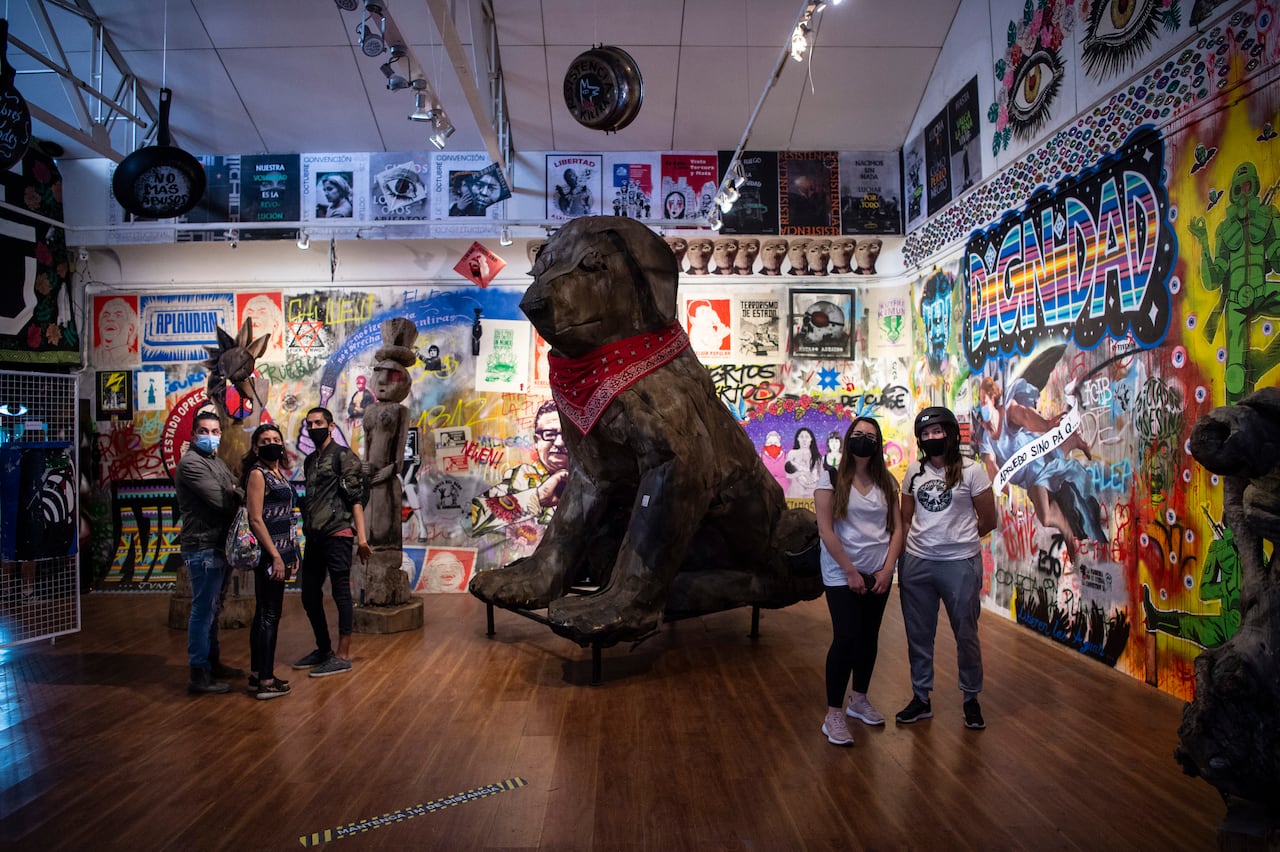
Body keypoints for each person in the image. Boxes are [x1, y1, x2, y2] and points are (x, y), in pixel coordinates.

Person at [897, 406, 998, 730]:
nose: (932, 438)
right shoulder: (913, 472)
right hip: (918, 564)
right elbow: (905, 518)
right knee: (918, 635)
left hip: (960, 565)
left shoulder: (972, 471)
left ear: (951, 434)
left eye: (937, 432)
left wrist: (959, 540)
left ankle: (971, 698)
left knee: (966, 634)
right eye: (926, 434)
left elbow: (989, 519)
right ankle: (921, 697)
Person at [814, 417, 904, 745]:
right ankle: (833, 714)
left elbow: (897, 529)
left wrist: (887, 569)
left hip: (878, 573)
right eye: (857, 434)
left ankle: (860, 699)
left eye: (870, 436)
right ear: (847, 439)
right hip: (842, 574)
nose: (863, 439)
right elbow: (826, 530)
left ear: (878, 444)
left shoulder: (886, 482)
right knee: (846, 637)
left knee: (869, 637)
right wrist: (850, 571)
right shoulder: (830, 479)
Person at [294, 407, 371, 677]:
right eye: (309, 423)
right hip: (314, 537)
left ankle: (343, 654)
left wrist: (361, 539)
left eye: (319, 422)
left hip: (338, 534)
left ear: (330, 425)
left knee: (340, 594)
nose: (314, 427)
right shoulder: (310, 460)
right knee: (309, 595)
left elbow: (355, 499)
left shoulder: (343, 456)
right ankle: (323, 648)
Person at [174, 411, 244, 695]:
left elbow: (235, 487)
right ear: (193, 434)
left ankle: (212, 663)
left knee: (214, 608)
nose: (211, 436)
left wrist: (233, 490)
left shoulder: (216, 461)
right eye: (204, 430)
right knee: (203, 610)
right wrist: (233, 491)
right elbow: (223, 501)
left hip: (218, 544)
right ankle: (199, 673)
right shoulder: (191, 464)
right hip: (202, 546)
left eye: (215, 431)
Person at [243, 423, 297, 700]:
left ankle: (257, 674)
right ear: (256, 447)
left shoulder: (278, 473)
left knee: (265, 613)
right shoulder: (258, 473)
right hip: (268, 555)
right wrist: (276, 555)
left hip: (282, 553)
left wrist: (293, 552)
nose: (272, 443)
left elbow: (287, 516)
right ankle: (265, 679)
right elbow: (255, 519)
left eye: (276, 439)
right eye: (265, 440)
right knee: (269, 615)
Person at [466, 400, 570, 537]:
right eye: (549, 434)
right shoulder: (519, 479)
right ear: (536, 441)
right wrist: (536, 498)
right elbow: (467, 522)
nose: (559, 442)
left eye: (567, 434)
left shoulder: (594, 481)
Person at [94, 296, 139, 367]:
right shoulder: (93, 356)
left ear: (130, 329)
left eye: (118, 315)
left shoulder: (136, 360)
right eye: (106, 315)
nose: (110, 319)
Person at [784, 426, 822, 498]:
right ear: (797, 439)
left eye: (807, 437)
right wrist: (802, 473)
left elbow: (821, 476)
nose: (804, 439)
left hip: (812, 494)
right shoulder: (792, 453)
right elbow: (787, 474)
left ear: (811, 439)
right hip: (795, 493)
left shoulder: (817, 457)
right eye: (801, 437)